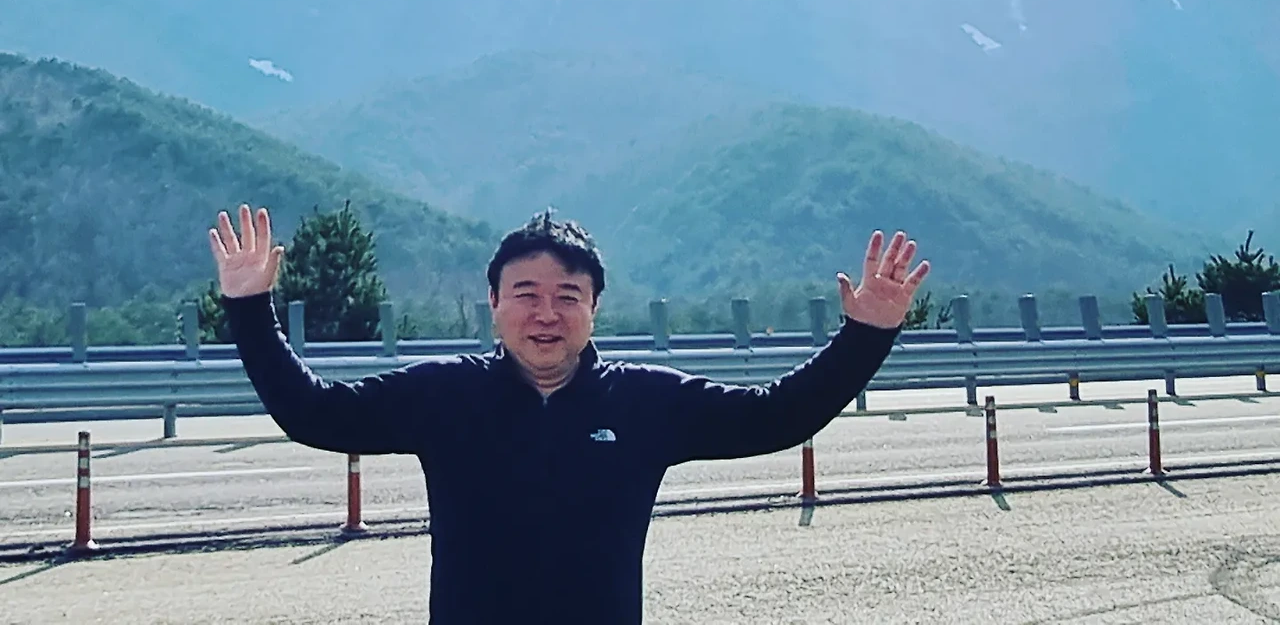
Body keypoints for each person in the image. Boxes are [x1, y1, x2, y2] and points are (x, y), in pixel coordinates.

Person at [212, 203, 928, 625]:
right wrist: (248, 308)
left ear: (594, 308)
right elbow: (314, 414)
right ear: (494, 303)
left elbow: (776, 417)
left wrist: (866, 334)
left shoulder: (644, 402)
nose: (546, 313)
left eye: (568, 296)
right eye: (526, 294)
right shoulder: (444, 396)